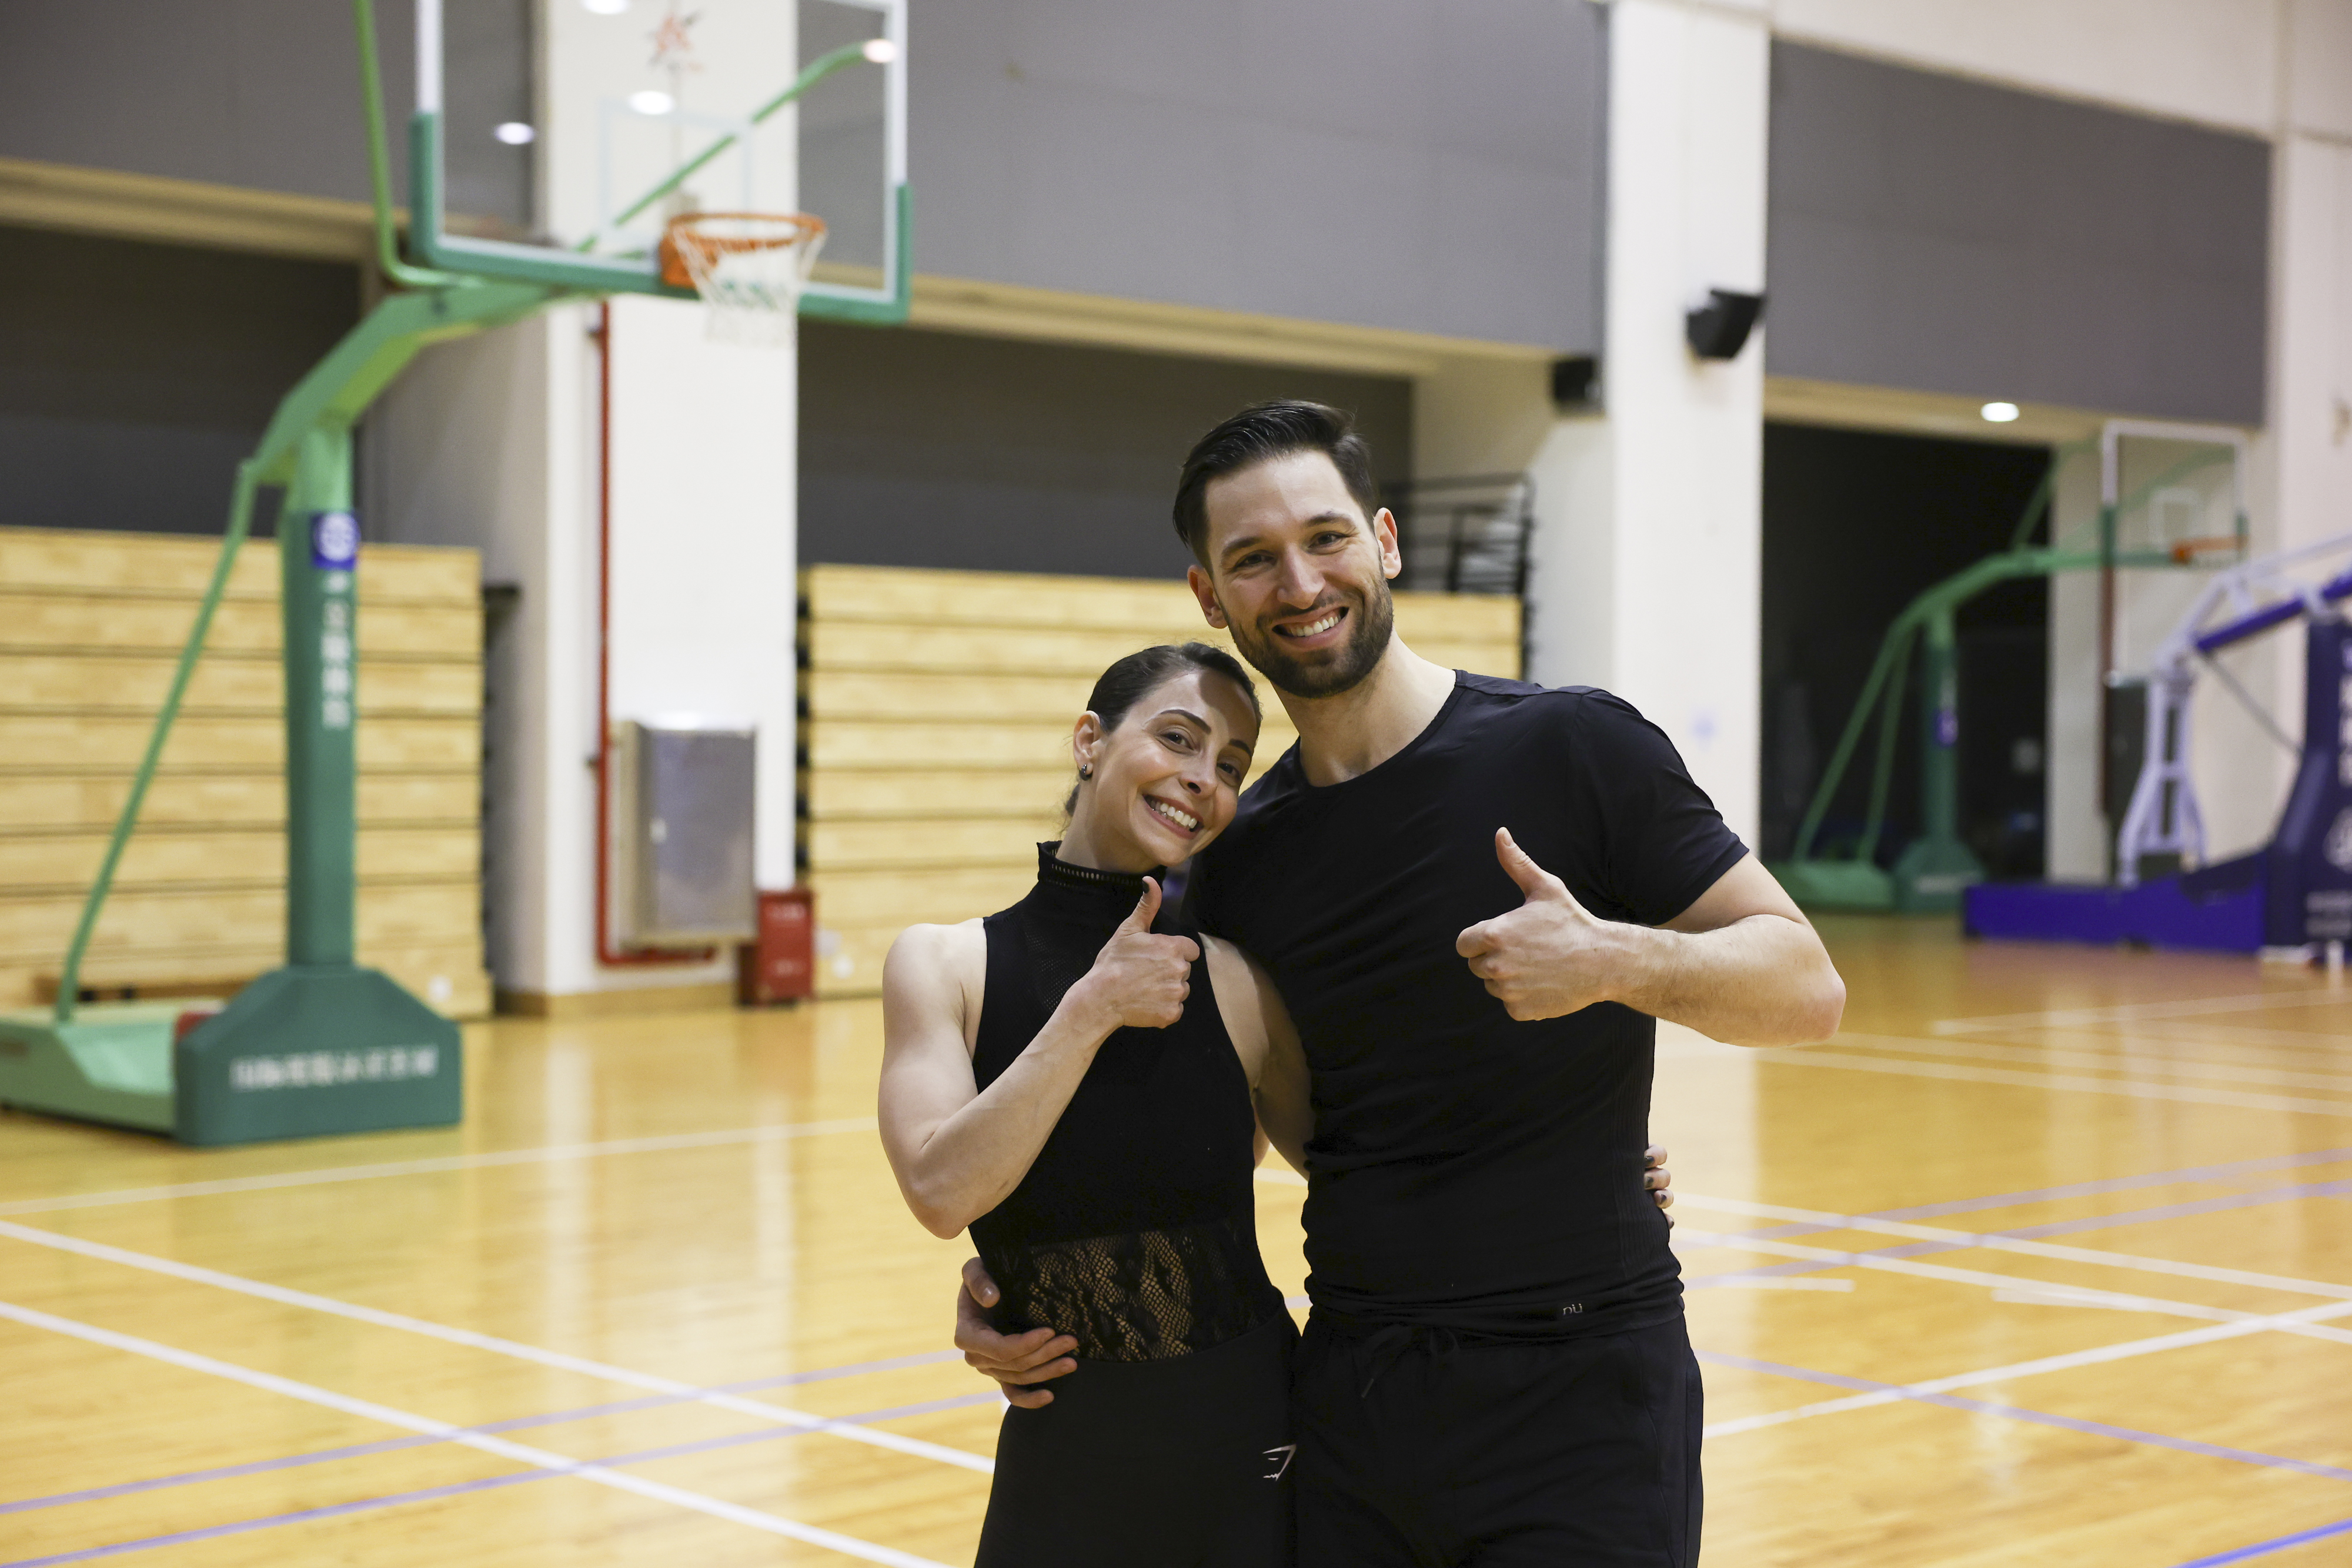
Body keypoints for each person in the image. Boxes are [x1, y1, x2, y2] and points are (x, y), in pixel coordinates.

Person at [957, 401, 1847, 1568]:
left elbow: (1805, 985)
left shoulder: (1574, 745)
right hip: (1354, 1398)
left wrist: (1614, 961)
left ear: (1382, 541)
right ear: (1210, 597)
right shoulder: (1237, 860)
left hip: (1580, 1388)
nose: (1299, 582)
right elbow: (1164, 1126)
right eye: (1253, 558)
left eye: (1325, 537)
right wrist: (1025, 1275)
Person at [877, 642, 1311, 1568]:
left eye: (1231, 766)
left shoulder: (1238, 980)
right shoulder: (944, 964)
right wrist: (1090, 1012)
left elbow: (1358, 1172)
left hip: (1248, 1436)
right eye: (1179, 739)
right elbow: (942, 1194)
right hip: (1066, 1446)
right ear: (1089, 741)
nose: (1202, 779)